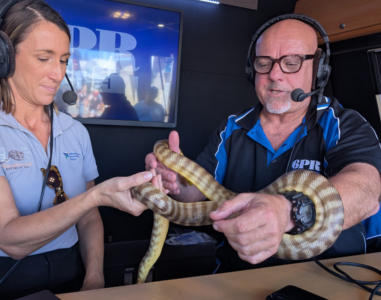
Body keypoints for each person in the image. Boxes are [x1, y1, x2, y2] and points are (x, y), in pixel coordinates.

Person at [0, 1, 151, 299]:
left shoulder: (75, 131)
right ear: (2, 57)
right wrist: (95, 196)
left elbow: (89, 219)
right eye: (44, 58)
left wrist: (94, 279)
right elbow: (9, 240)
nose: (57, 73)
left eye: (63, 60)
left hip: (69, 272)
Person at [145, 17, 381, 273]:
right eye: (264, 63)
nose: (274, 74)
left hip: (329, 276)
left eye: (291, 63)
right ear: (251, 69)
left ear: (318, 69)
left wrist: (289, 211)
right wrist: (177, 184)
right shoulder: (232, 128)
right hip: (237, 275)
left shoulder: (341, 123)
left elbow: (366, 190)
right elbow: (198, 193)